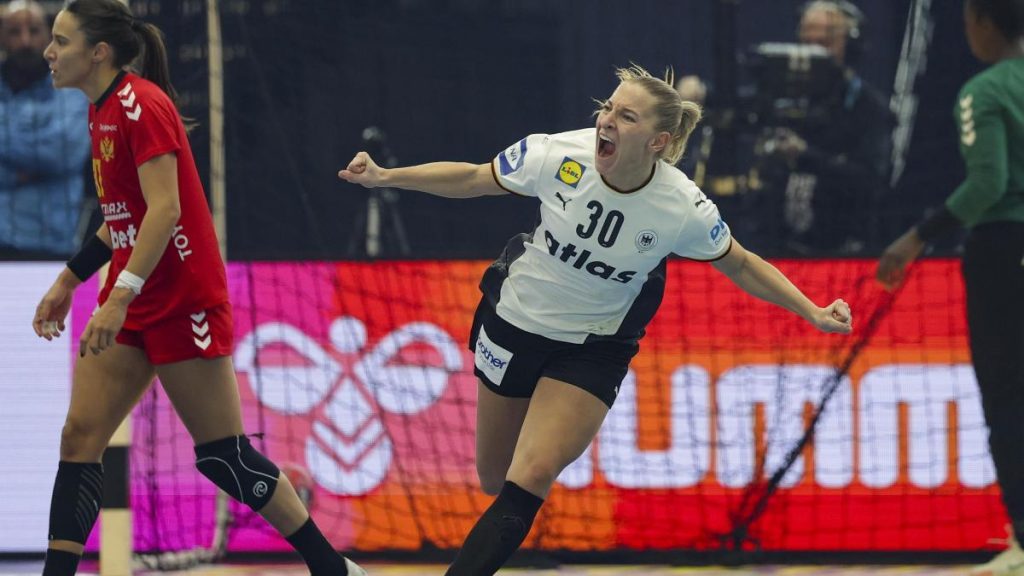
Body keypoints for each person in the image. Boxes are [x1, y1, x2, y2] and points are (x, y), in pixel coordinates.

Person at [339, 64, 853, 575]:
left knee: (532, 473)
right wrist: (385, 177)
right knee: (495, 478)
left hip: (593, 347)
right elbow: (475, 177)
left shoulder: (681, 205)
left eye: (627, 116)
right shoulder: (557, 154)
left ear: (658, 141)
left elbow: (739, 262)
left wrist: (811, 310)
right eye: (608, 107)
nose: (607, 120)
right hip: (515, 323)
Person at [32, 1, 365, 575]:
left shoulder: (142, 105)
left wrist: (117, 298)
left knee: (224, 457)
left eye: (61, 40)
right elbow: (123, 217)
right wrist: (70, 279)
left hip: (181, 299)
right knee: (79, 436)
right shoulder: (101, 109)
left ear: (98, 52)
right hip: (136, 295)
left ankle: (332, 568)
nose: (49, 52)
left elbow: (165, 211)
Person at [877, 0, 1024, 574]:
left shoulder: (984, 91)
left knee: (1008, 395)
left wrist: (915, 237)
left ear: (983, 24)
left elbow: (989, 183)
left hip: (1004, 252)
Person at [754, 0, 894, 254]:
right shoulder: (780, 100)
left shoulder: (869, 108)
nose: (814, 53)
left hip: (844, 252)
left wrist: (806, 156)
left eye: (824, 44)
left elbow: (871, 181)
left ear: (851, 47)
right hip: (780, 251)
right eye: (807, 43)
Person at [0, 0, 89, 258]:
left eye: (34, 30)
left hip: (54, 244)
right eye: (14, 31)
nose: (25, 41)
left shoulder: (72, 88)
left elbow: (66, 151)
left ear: (49, 37)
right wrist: (28, 170)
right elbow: (50, 154)